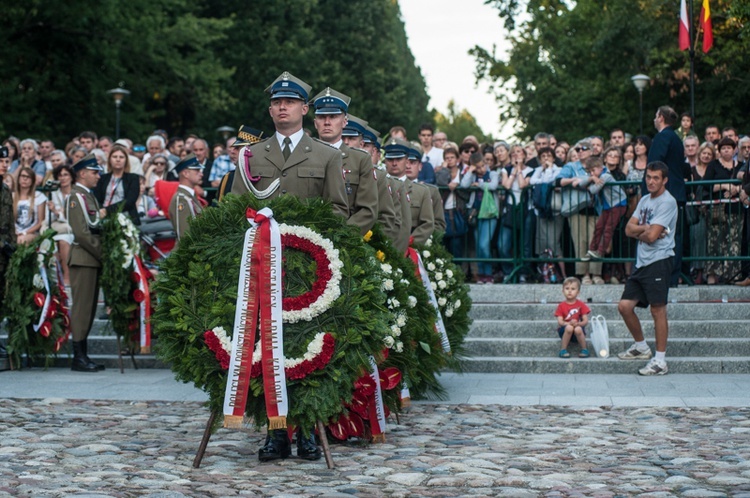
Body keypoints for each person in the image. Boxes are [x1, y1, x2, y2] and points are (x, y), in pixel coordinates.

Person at [231, 71, 348, 221]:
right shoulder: (251, 154)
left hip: (307, 240)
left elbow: (337, 209)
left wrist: (312, 236)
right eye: (276, 102)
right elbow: (236, 205)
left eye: (290, 102)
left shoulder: (328, 155)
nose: (282, 107)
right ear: (270, 111)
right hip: (260, 240)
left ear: (304, 109)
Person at [618, 161, 677, 376]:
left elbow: (653, 237)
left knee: (657, 309)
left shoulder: (667, 202)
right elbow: (628, 229)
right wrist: (645, 228)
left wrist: (642, 232)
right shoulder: (644, 199)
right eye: (648, 177)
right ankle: (641, 346)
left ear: (664, 180)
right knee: (625, 306)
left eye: (655, 178)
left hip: (659, 261)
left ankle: (660, 360)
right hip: (642, 262)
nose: (651, 181)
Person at [311, 87, 377, 235]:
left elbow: (368, 210)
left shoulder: (360, 160)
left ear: (344, 121)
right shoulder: (302, 154)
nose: (327, 122)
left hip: (344, 242)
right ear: (315, 122)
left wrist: (341, 236)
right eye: (322, 117)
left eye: (333, 116)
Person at [66, 154, 106, 372]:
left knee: (89, 309)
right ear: (82, 173)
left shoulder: (87, 196)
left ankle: (83, 354)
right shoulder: (76, 197)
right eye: (94, 172)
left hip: (91, 259)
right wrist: (103, 253)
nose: (98, 176)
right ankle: (78, 356)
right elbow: (82, 233)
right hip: (84, 258)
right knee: (82, 309)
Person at [646, 106, 688, 287]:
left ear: (661, 117)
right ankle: (671, 277)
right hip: (676, 192)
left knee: (665, 236)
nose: (654, 120)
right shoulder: (676, 139)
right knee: (673, 236)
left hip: (665, 194)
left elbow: (655, 166)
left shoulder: (663, 137)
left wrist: (649, 193)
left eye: (656, 116)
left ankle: (665, 277)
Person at [557, 140, 602, 285]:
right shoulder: (571, 166)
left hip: (595, 209)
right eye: (577, 149)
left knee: (595, 242)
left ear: (592, 150)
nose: (580, 151)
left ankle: (596, 274)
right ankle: (585, 275)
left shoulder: (598, 165)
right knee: (580, 242)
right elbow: (558, 181)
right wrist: (575, 179)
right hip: (577, 209)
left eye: (584, 148)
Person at [704, 137, 743, 284]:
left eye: (729, 148)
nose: (726, 150)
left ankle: (732, 276)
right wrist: (725, 186)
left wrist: (735, 189)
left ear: (734, 150)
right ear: (719, 151)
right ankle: (712, 275)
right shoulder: (713, 165)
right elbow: (707, 185)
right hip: (717, 210)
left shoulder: (740, 166)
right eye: (723, 148)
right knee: (714, 241)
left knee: (734, 242)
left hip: (736, 210)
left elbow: (746, 184)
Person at [460, 151, 499, 283]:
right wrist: (470, 171)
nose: (481, 169)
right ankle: (481, 273)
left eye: (483, 166)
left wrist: (480, 185)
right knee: (478, 245)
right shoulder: (473, 175)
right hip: (476, 213)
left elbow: (493, 185)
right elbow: (464, 185)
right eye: (478, 167)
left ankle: (488, 273)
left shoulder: (492, 174)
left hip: (490, 213)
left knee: (484, 244)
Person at [530, 147, 564, 282]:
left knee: (554, 243)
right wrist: (543, 176)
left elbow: (550, 181)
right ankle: (547, 274)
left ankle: (563, 274)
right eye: (543, 156)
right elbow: (532, 182)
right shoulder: (538, 170)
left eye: (548, 156)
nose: (546, 159)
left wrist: (549, 170)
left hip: (555, 212)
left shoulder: (559, 170)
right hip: (541, 211)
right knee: (543, 244)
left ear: (553, 158)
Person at [583, 155, 627, 261]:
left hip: (618, 204)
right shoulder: (597, 177)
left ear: (600, 167)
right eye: (590, 172)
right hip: (608, 206)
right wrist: (591, 178)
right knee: (599, 227)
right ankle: (592, 249)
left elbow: (593, 190)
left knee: (608, 228)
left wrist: (589, 184)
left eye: (593, 171)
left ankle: (600, 251)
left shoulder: (605, 176)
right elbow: (581, 182)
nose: (592, 174)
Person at [688, 142, 715, 285]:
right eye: (704, 153)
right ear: (699, 154)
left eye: (709, 154)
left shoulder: (714, 170)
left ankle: (709, 272)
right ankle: (697, 271)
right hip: (696, 213)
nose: (706, 156)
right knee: (697, 239)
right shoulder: (692, 170)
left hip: (713, 211)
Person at [94, 144, 141, 224]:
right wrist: (102, 211)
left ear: (126, 160)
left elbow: (130, 201)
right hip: (104, 217)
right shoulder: (102, 178)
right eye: (115, 157)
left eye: (121, 157)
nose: (118, 160)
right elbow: (97, 199)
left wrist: (107, 210)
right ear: (110, 160)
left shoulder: (133, 178)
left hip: (126, 217)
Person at [0, 146, 16, 364]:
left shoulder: (4, 189)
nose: (4, 164)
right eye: (1, 161)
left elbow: (9, 221)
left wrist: (12, 244)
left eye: (6, 161)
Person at [48, 164, 76, 286]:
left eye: (66, 175)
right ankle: (55, 279)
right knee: (53, 242)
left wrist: (58, 213)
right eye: (60, 175)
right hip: (59, 229)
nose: (63, 178)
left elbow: (74, 216)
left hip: (73, 229)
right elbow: (50, 217)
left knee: (64, 241)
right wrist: (56, 212)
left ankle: (67, 275)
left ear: (71, 177)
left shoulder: (77, 193)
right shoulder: (54, 194)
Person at [168, 154, 204, 245]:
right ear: (185, 173)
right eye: (197, 170)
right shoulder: (181, 199)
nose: (201, 174)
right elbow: (185, 234)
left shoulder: (190, 196)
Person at [555, 277, 590, 358]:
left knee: (578, 329)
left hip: (577, 330)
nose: (570, 291)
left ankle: (584, 349)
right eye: (567, 288)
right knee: (569, 328)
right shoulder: (561, 306)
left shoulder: (581, 304)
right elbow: (560, 321)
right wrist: (568, 323)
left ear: (578, 292)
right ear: (563, 291)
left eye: (573, 289)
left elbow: (585, 321)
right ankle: (563, 350)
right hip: (565, 331)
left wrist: (578, 323)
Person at [13, 167, 46, 244]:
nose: (25, 179)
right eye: (22, 176)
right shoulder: (12, 196)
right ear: (18, 179)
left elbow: (40, 222)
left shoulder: (39, 196)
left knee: (21, 240)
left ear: (32, 180)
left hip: (32, 233)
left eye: (28, 177)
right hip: (14, 233)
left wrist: (25, 233)